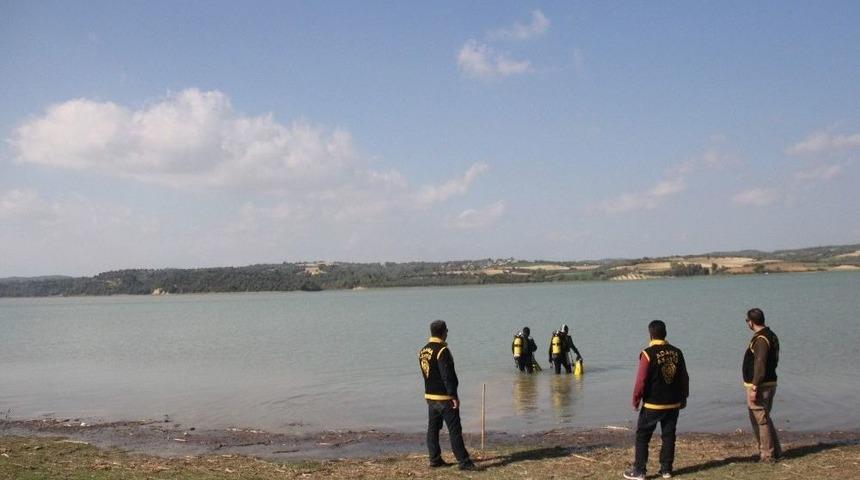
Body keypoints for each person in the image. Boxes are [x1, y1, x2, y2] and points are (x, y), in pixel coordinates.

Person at [623, 320, 689, 480]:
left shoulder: (647, 353)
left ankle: (639, 471)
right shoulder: (677, 352)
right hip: (673, 403)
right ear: (665, 333)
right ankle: (666, 470)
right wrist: (684, 397)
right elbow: (684, 377)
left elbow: (641, 380)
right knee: (668, 436)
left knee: (642, 436)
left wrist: (635, 399)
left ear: (650, 334)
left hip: (653, 404)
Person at [418, 320, 477, 471]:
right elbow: (447, 375)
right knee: (455, 430)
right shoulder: (442, 350)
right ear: (443, 332)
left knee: (433, 429)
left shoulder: (423, 350)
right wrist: (453, 395)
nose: (447, 333)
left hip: (430, 396)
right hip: (444, 398)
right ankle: (464, 461)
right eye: (447, 331)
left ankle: (435, 459)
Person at [742, 307, 782, 463]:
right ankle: (776, 451)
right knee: (764, 418)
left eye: (747, 321)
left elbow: (760, 363)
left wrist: (754, 387)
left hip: (761, 385)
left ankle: (767, 455)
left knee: (761, 420)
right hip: (769, 382)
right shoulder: (771, 335)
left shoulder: (761, 339)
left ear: (751, 322)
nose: (747, 323)